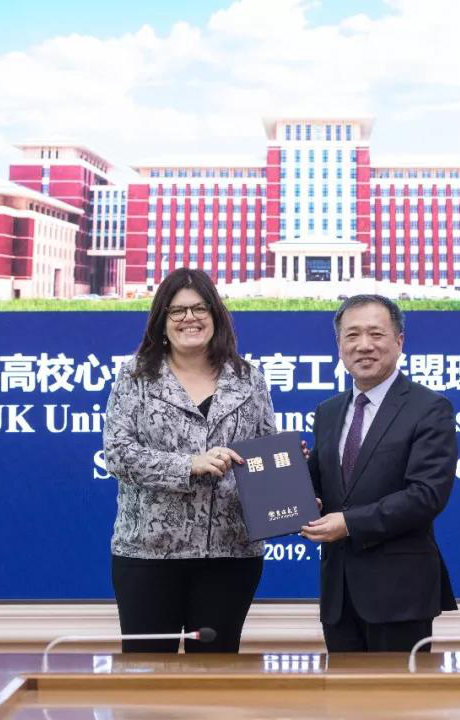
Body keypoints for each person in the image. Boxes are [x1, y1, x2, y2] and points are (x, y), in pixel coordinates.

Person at [103, 268, 275, 653]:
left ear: (216, 315)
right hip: (148, 553)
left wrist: (287, 470)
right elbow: (118, 453)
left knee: (215, 672)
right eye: (177, 311)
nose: (189, 318)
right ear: (162, 321)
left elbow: (263, 451)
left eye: (200, 308)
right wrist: (188, 465)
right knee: (146, 672)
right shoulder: (135, 376)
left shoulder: (249, 378)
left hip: (231, 553)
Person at [301, 294, 458, 652]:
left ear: (399, 341)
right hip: (338, 595)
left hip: (400, 594)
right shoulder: (328, 411)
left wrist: (348, 524)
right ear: (339, 346)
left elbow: (426, 496)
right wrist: (297, 484)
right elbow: (327, 488)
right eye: (352, 335)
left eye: (376, 334)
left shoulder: (429, 408)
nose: (364, 345)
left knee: (397, 690)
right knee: (342, 689)